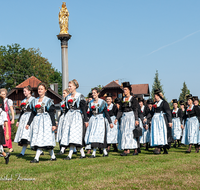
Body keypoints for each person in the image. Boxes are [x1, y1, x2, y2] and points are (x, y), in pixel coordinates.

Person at [26, 83, 57, 163]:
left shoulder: (48, 100)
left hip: (46, 121)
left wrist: (53, 124)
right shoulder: (34, 101)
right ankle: (53, 156)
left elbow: (51, 113)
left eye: (41, 89)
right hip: (37, 122)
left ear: (45, 90)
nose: (40, 90)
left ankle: (36, 158)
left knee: (43, 139)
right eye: (39, 89)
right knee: (39, 138)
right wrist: (28, 123)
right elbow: (33, 113)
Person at [59, 79, 88, 160]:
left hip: (77, 116)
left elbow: (84, 108)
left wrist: (86, 120)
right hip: (69, 116)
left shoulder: (79, 96)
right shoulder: (68, 97)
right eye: (68, 86)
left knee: (74, 135)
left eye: (70, 86)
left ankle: (70, 155)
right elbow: (67, 108)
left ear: (75, 86)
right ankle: (82, 154)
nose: (69, 87)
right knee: (70, 135)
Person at [114, 82, 143, 156]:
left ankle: (135, 149)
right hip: (124, 117)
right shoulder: (122, 99)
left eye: (126, 89)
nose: (124, 91)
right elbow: (120, 110)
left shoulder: (133, 99)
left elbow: (135, 109)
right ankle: (126, 149)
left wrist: (136, 119)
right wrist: (117, 118)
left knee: (131, 133)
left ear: (129, 90)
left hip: (131, 117)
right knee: (124, 133)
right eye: (124, 89)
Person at [85, 87, 114, 158]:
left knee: (99, 136)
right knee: (93, 135)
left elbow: (106, 112)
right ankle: (104, 152)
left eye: (94, 93)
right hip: (93, 120)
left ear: (98, 93)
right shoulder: (91, 102)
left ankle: (94, 153)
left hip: (100, 119)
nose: (93, 94)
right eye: (92, 93)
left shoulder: (102, 102)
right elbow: (90, 113)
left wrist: (110, 122)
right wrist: (87, 120)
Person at [14, 86, 36, 157]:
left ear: (29, 91)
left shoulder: (33, 100)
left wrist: (30, 122)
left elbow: (34, 111)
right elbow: (22, 112)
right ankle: (22, 152)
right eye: (23, 91)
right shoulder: (23, 100)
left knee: (29, 135)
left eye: (25, 91)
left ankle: (39, 150)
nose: (24, 93)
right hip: (24, 118)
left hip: (30, 118)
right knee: (24, 136)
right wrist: (18, 121)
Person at [150, 89, 173, 154]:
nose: (154, 97)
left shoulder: (164, 103)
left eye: (155, 96)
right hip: (155, 120)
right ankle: (158, 146)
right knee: (156, 133)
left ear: (158, 96)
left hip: (162, 120)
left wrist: (170, 121)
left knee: (162, 133)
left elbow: (168, 112)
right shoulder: (155, 104)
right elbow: (151, 113)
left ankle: (160, 148)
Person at [0, 88, 14, 152]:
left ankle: (10, 147)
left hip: (6, 117)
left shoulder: (8, 101)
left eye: (4, 94)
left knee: (7, 132)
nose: (3, 95)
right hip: (1, 116)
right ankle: (2, 145)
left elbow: (11, 110)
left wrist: (13, 118)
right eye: (1, 94)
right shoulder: (0, 101)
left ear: (6, 94)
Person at [56, 88, 70, 155]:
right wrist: (58, 120)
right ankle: (61, 148)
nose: (63, 95)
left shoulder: (69, 101)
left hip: (68, 117)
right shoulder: (62, 102)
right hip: (62, 118)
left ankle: (73, 148)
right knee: (61, 133)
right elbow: (61, 112)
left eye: (64, 93)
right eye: (63, 93)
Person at [0, 95, 10, 164]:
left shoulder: (3, 113)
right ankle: (5, 155)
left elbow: (6, 123)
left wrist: (7, 134)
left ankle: (5, 155)